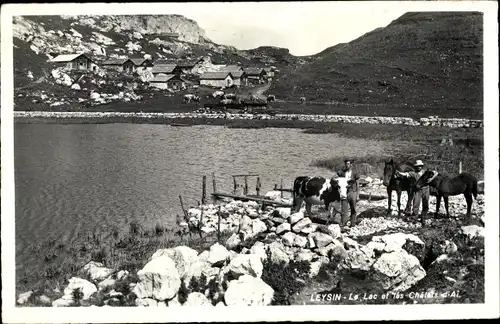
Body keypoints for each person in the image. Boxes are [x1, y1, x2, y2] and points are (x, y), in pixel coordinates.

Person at [336, 159, 360, 228]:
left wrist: (358, 195)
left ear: (351, 164)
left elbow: (358, 183)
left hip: (353, 191)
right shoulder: (342, 172)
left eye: (348, 164)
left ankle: (353, 223)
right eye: (346, 164)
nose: (347, 165)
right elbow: (336, 176)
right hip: (344, 191)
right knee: (344, 208)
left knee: (353, 208)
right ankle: (343, 223)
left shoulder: (355, 172)